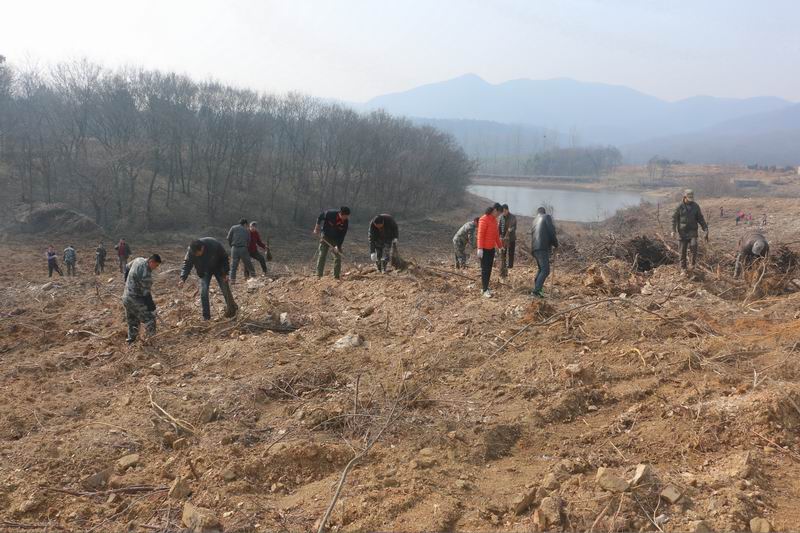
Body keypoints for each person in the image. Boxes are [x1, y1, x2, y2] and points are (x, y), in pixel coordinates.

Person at [179, 238, 238, 320]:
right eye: (195, 253)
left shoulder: (214, 244)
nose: (196, 255)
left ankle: (232, 311)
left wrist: (225, 273)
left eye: (198, 253)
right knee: (203, 291)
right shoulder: (191, 251)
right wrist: (182, 278)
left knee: (225, 288)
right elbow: (187, 264)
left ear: (202, 248)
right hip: (204, 271)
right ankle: (206, 317)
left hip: (219, 268)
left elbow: (224, 258)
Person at [122, 254, 162, 343]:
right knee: (150, 319)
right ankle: (151, 341)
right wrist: (152, 309)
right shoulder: (146, 275)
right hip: (135, 299)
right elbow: (146, 295)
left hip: (126, 297)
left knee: (133, 320)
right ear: (151, 261)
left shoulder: (138, 260)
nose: (155, 268)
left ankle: (131, 340)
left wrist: (127, 284)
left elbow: (127, 267)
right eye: (156, 265)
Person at [671, 189, 708, 273]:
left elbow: (700, 219)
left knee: (694, 246)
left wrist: (705, 229)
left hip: (692, 231)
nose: (690, 200)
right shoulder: (679, 206)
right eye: (689, 198)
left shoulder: (695, 206)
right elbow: (674, 219)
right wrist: (673, 230)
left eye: (691, 198)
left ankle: (692, 265)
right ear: (684, 197)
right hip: (682, 232)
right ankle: (683, 269)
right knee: (682, 251)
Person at [314, 206, 350, 280]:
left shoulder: (346, 222)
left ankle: (336, 276)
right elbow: (320, 217)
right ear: (341, 214)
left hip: (336, 239)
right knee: (322, 254)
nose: (346, 218)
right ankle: (319, 275)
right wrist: (316, 228)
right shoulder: (330, 214)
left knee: (338, 257)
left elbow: (342, 235)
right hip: (325, 236)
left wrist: (338, 246)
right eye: (345, 216)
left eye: (347, 216)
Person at [530, 207, 558, 298]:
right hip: (542, 247)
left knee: (541, 269)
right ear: (544, 212)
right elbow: (551, 231)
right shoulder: (546, 217)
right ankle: (536, 292)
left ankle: (537, 289)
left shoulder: (534, 220)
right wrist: (556, 244)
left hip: (534, 248)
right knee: (545, 270)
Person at [476, 204, 504, 297]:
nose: (498, 215)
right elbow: (480, 234)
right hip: (484, 249)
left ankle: (485, 287)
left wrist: (500, 246)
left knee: (489, 269)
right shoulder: (483, 219)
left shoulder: (495, 221)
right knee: (485, 269)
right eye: (498, 213)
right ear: (494, 210)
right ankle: (484, 290)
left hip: (491, 249)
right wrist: (480, 248)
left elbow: (496, 235)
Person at [227, 218, 255, 283]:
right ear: (245, 224)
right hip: (243, 249)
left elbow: (228, 238)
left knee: (233, 265)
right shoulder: (247, 230)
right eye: (247, 224)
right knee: (248, 263)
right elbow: (249, 241)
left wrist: (231, 245)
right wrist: (245, 246)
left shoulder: (233, 227)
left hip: (234, 248)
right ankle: (253, 276)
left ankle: (232, 280)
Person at [499, 204, 518, 277]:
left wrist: (510, 229)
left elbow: (514, 227)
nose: (503, 212)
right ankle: (503, 266)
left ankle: (510, 266)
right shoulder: (501, 217)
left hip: (511, 238)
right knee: (503, 253)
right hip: (503, 238)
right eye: (502, 211)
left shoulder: (513, 217)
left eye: (504, 211)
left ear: (507, 210)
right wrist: (500, 236)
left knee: (511, 252)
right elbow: (499, 227)